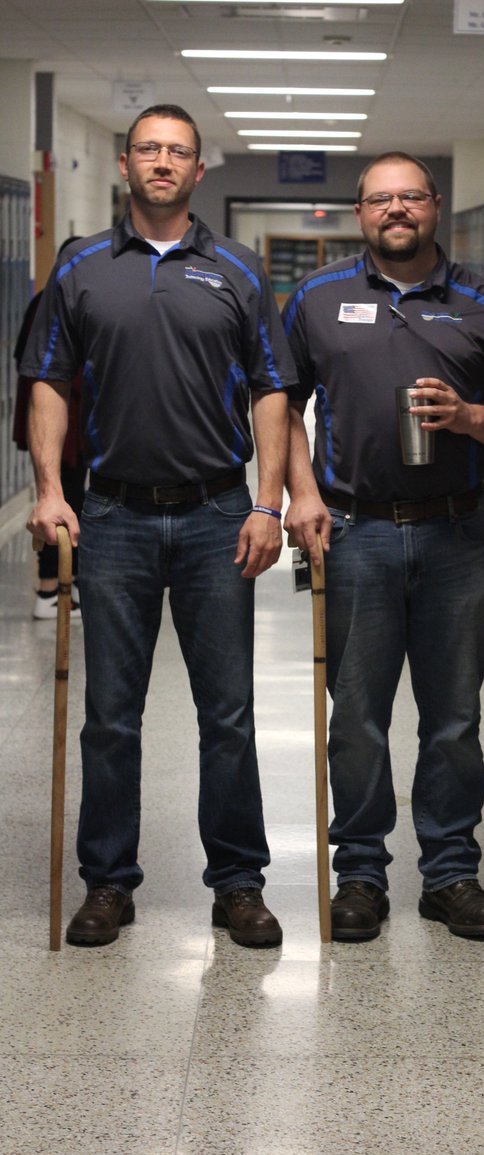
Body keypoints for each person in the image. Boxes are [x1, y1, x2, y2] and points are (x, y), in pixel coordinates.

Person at [23, 103, 296, 948]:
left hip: (218, 514)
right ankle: (108, 881)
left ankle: (239, 883)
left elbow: (272, 390)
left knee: (229, 712)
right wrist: (47, 490)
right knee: (111, 711)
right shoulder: (80, 271)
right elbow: (49, 383)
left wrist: (267, 501)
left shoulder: (240, 273)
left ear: (198, 170)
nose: (163, 162)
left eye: (178, 151)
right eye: (149, 149)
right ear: (124, 164)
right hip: (112, 514)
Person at [282, 151, 484, 941]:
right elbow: (280, 405)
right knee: (357, 717)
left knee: (453, 716)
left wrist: (467, 417)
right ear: (360, 213)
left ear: (435, 206)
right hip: (356, 533)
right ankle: (360, 872)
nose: (396, 210)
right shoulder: (317, 299)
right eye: (381, 199)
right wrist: (301, 494)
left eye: (410, 197)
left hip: (457, 533)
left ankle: (450, 872)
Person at [14, 236, 85, 619]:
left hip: (75, 422)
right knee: (60, 501)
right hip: (64, 424)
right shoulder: (50, 303)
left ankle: (64, 586)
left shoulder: (43, 299)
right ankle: (51, 590)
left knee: (73, 500)